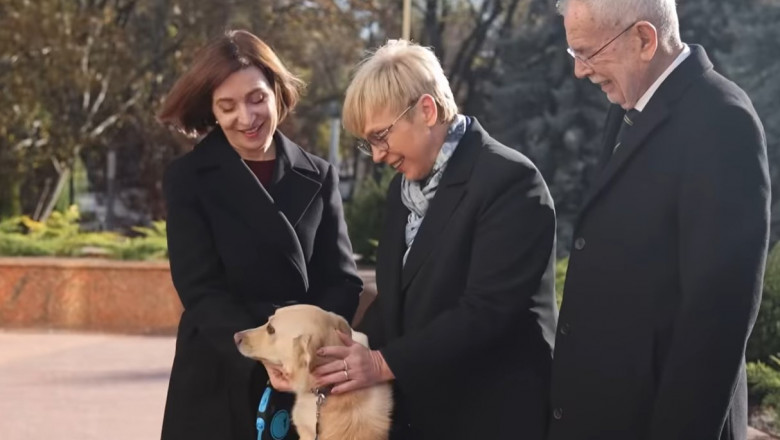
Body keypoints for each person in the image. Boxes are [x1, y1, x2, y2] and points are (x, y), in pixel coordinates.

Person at [311, 39, 559, 439]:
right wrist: (332, 357)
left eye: (381, 136)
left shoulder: (510, 181)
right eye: (369, 142)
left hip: (490, 418)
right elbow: (395, 302)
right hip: (422, 417)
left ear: (426, 110)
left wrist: (381, 363)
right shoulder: (403, 190)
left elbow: (486, 312)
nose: (377, 155)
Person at [549, 1, 770, 439]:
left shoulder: (723, 121)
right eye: (574, 53)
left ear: (644, 39)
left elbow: (716, 322)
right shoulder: (629, 102)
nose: (579, 70)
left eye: (588, 53)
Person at [156, 29, 363, 440]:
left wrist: (310, 350)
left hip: (304, 377)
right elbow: (200, 289)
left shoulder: (319, 175)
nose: (246, 118)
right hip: (220, 369)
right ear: (212, 111)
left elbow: (343, 280)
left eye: (256, 99)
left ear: (277, 93)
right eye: (227, 106)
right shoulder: (188, 178)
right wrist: (266, 353)